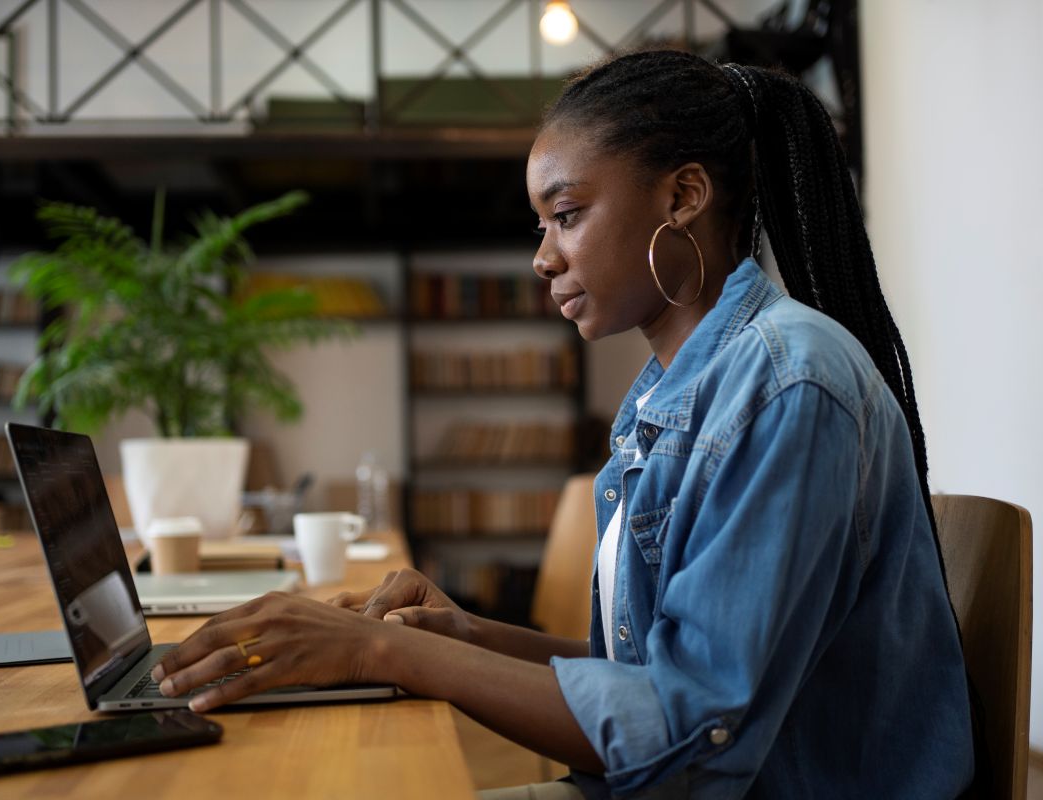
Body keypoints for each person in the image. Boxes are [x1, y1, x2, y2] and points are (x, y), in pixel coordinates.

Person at [150, 49, 976, 798]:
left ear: (684, 195)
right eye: (540, 225)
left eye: (568, 214)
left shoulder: (785, 386)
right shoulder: (672, 395)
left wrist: (381, 651)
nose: (543, 257)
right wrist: (465, 634)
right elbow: (653, 679)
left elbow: (689, 737)